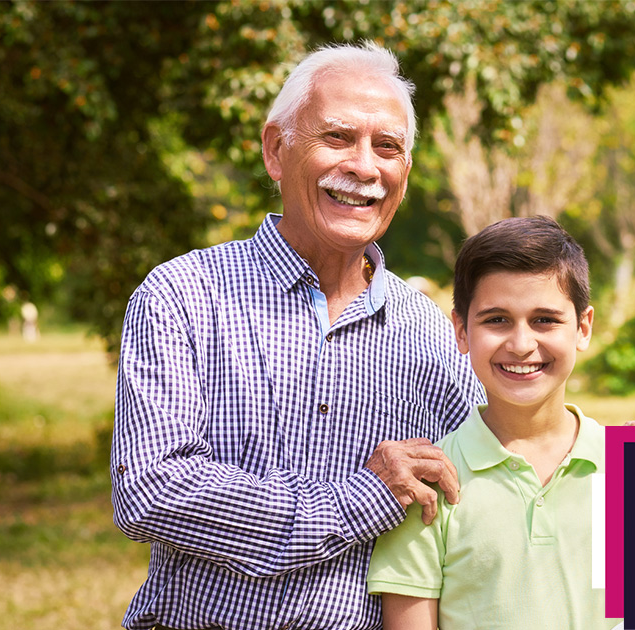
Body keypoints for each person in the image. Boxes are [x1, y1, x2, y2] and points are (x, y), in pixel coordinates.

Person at [110, 42, 484, 630]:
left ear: (404, 176)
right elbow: (151, 491)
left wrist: (605, 458)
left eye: (387, 147)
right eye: (337, 137)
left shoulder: (426, 330)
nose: (365, 166)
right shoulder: (184, 294)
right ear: (275, 150)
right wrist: (357, 501)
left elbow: (498, 460)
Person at [366, 216, 623, 629]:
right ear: (462, 331)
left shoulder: (630, 470)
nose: (521, 345)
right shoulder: (428, 484)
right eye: (497, 319)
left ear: (583, 327)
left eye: (545, 319)